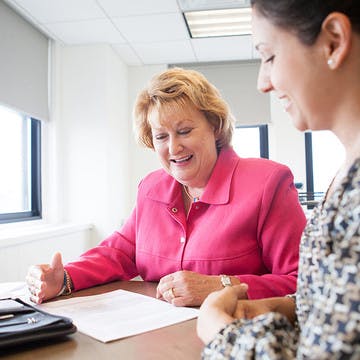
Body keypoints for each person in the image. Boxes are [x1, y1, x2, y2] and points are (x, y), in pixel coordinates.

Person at [26, 67, 306, 307]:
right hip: (157, 339)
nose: (173, 147)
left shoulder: (268, 182)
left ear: (215, 128)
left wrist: (222, 286)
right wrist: (63, 279)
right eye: (161, 136)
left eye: (185, 131)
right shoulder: (151, 188)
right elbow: (120, 252)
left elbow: (300, 280)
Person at [197, 1, 360, 358]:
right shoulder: (346, 173)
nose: (262, 83)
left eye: (269, 56)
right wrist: (283, 308)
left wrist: (222, 332)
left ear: (333, 42)